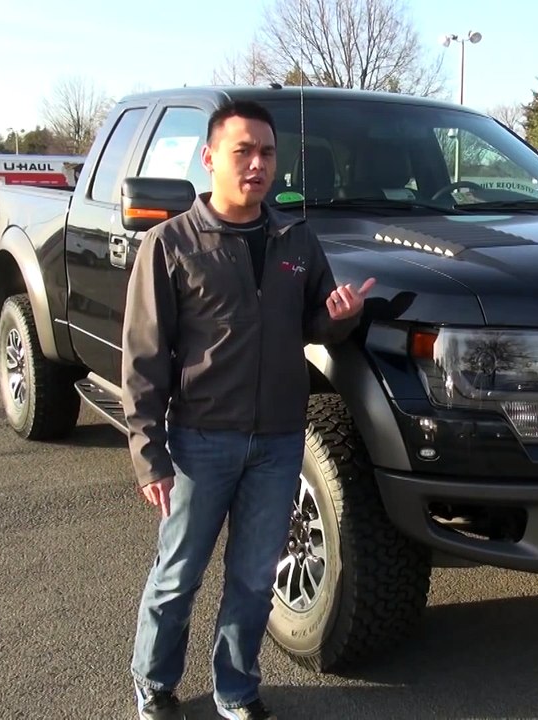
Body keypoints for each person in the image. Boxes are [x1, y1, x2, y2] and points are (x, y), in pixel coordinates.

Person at [120, 100, 375, 720]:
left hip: (279, 440)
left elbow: (314, 323)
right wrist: (149, 452)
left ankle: (236, 689)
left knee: (256, 578)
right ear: (210, 158)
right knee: (179, 573)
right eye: (243, 152)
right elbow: (144, 357)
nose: (257, 164)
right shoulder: (171, 243)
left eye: (266, 152)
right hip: (200, 440)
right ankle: (154, 684)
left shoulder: (296, 240)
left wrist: (342, 317)